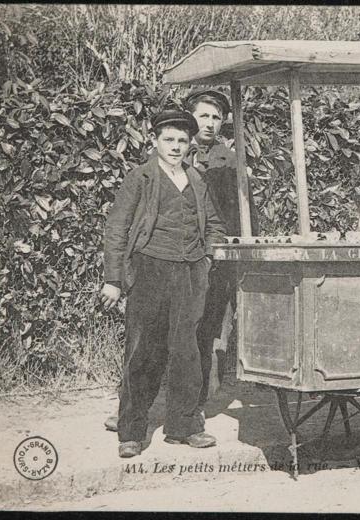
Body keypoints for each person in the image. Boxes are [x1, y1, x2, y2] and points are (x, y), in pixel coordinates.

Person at [100, 110, 226, 458]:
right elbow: (117, 228)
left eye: (182, 141)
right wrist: (113, 279)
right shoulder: (139, 177)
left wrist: (208, 257)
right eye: (168, 140)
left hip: (189, 273)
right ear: (155, 141)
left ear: (190, 144)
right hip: (149, 270)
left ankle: (183, 427)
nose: (175, 147)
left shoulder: (197, 179)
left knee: (187, 350)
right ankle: (131, 432)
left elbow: (214, 224)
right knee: (143, 351)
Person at [183, 88, 260, 412]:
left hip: (217, 259)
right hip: (178, 257)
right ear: (191, 118)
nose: (210, 123)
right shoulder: (173, 152)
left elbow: (244, 212)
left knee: (212, 331)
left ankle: (197, 404)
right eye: (204, 116)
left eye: (216, 117)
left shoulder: (229, 160)